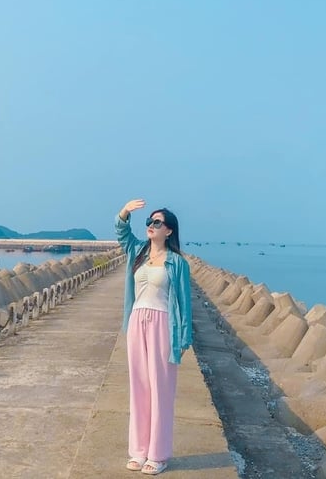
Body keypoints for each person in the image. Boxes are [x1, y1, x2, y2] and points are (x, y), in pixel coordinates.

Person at [116, 198, 193, 476]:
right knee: (139, 388)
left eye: (157, 222)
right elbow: (121, 233)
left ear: (169, 230)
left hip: (163, 325)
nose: (150, 225)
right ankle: (138, 451)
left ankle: (158, 454)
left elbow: (184, 303)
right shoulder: (137, 252)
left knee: (161, 390)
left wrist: (184, 340)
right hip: (137, 321)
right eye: (149, 221)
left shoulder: (177, 263)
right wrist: (125, 212)